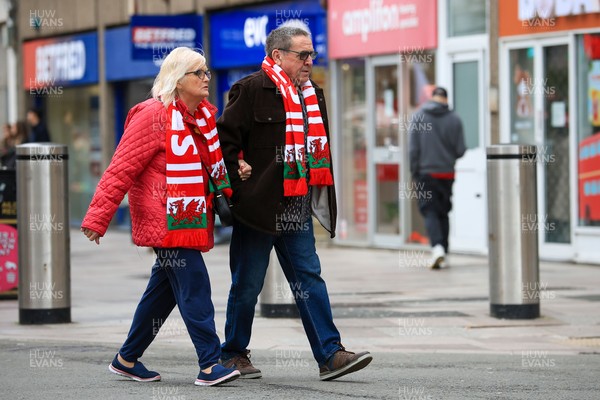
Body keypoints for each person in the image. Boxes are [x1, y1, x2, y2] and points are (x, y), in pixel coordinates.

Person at [217, 22, 372, 381]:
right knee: (247, 284)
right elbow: (222, 142)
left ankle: (330, 355)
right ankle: (233, 353)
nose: (309, 61)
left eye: (312, 54)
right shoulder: (251, 89)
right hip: (258, 208)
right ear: (277, 55)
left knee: (309, 277)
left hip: (295, 203)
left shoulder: (312, 94)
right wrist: (237, 176)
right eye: (303, 55)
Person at [80, 47, 240, 387]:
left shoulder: (201, 118)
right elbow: (121, 167)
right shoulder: (154, 115)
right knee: (194, 283)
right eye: (199, 73)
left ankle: (126, 358)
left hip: (189, 217)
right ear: (178, 79)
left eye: (207, 72)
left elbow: (207, 163)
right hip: (166, 220)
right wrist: (98, 217)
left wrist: (235, 166)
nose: (206, 78)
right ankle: (210, 364)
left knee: (163, 292)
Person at [409, 86, 466, 269]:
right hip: (447, 173)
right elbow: (460, 150)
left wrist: (414, 171)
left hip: (426, 173)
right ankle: (444, 252)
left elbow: (413, 150)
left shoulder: (419, 116)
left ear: (432, 98)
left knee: (430, 211)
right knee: (443, 212)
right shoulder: (455, 119)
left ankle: (437, 248)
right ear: (446, 99)